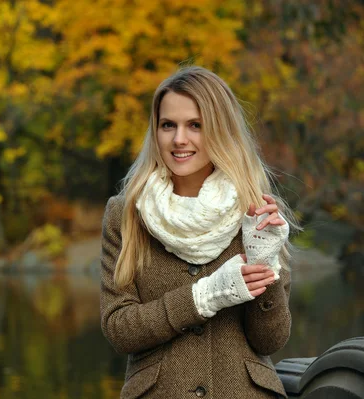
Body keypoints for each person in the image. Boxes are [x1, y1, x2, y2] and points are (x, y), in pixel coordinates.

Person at [100, 66, 297, 398]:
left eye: (196, 125)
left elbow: (270, 340)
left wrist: (264, 261)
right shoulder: (125, 214)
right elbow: (119, 330)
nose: (179, 139)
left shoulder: (255, 209)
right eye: (168, 125)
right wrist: (203, 296)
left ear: (220, 131)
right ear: (156, 131)